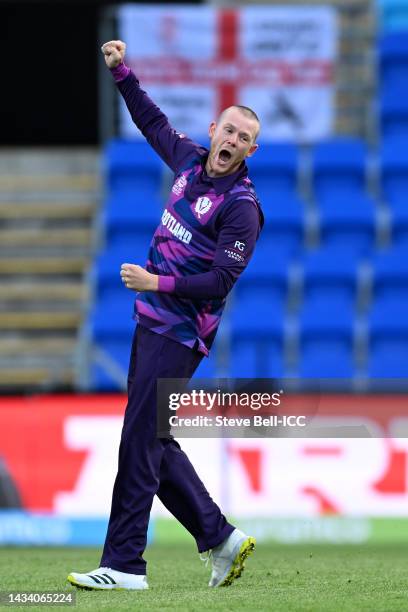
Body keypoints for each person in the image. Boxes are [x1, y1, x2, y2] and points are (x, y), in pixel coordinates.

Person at [68, 39, 264, 592]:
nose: (234, 142)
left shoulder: (242, 209)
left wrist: (157, 281)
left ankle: (126, 564)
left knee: (138, 439)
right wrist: (122, 71)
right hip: (151, 321)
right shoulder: (186, 162)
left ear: (251, 151)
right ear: (213, 131)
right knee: (152, 437)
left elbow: (220, 282)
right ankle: (220, 537)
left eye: (245, 139)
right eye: (229, 131)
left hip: (180, 333)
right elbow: (150, 119)